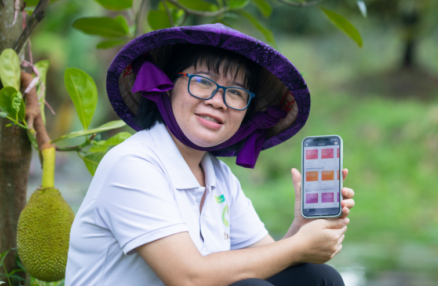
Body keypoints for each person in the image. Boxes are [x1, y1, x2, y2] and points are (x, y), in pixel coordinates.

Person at [65, 24, 355, 286]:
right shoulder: (132, 163)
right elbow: (189, 278)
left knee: (319, 279)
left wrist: (299, 230)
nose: (218, 101)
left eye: (236, 93)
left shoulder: (218, 176)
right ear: (167, 88)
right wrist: (297, 246)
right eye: (203, 81)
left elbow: (265, 258)